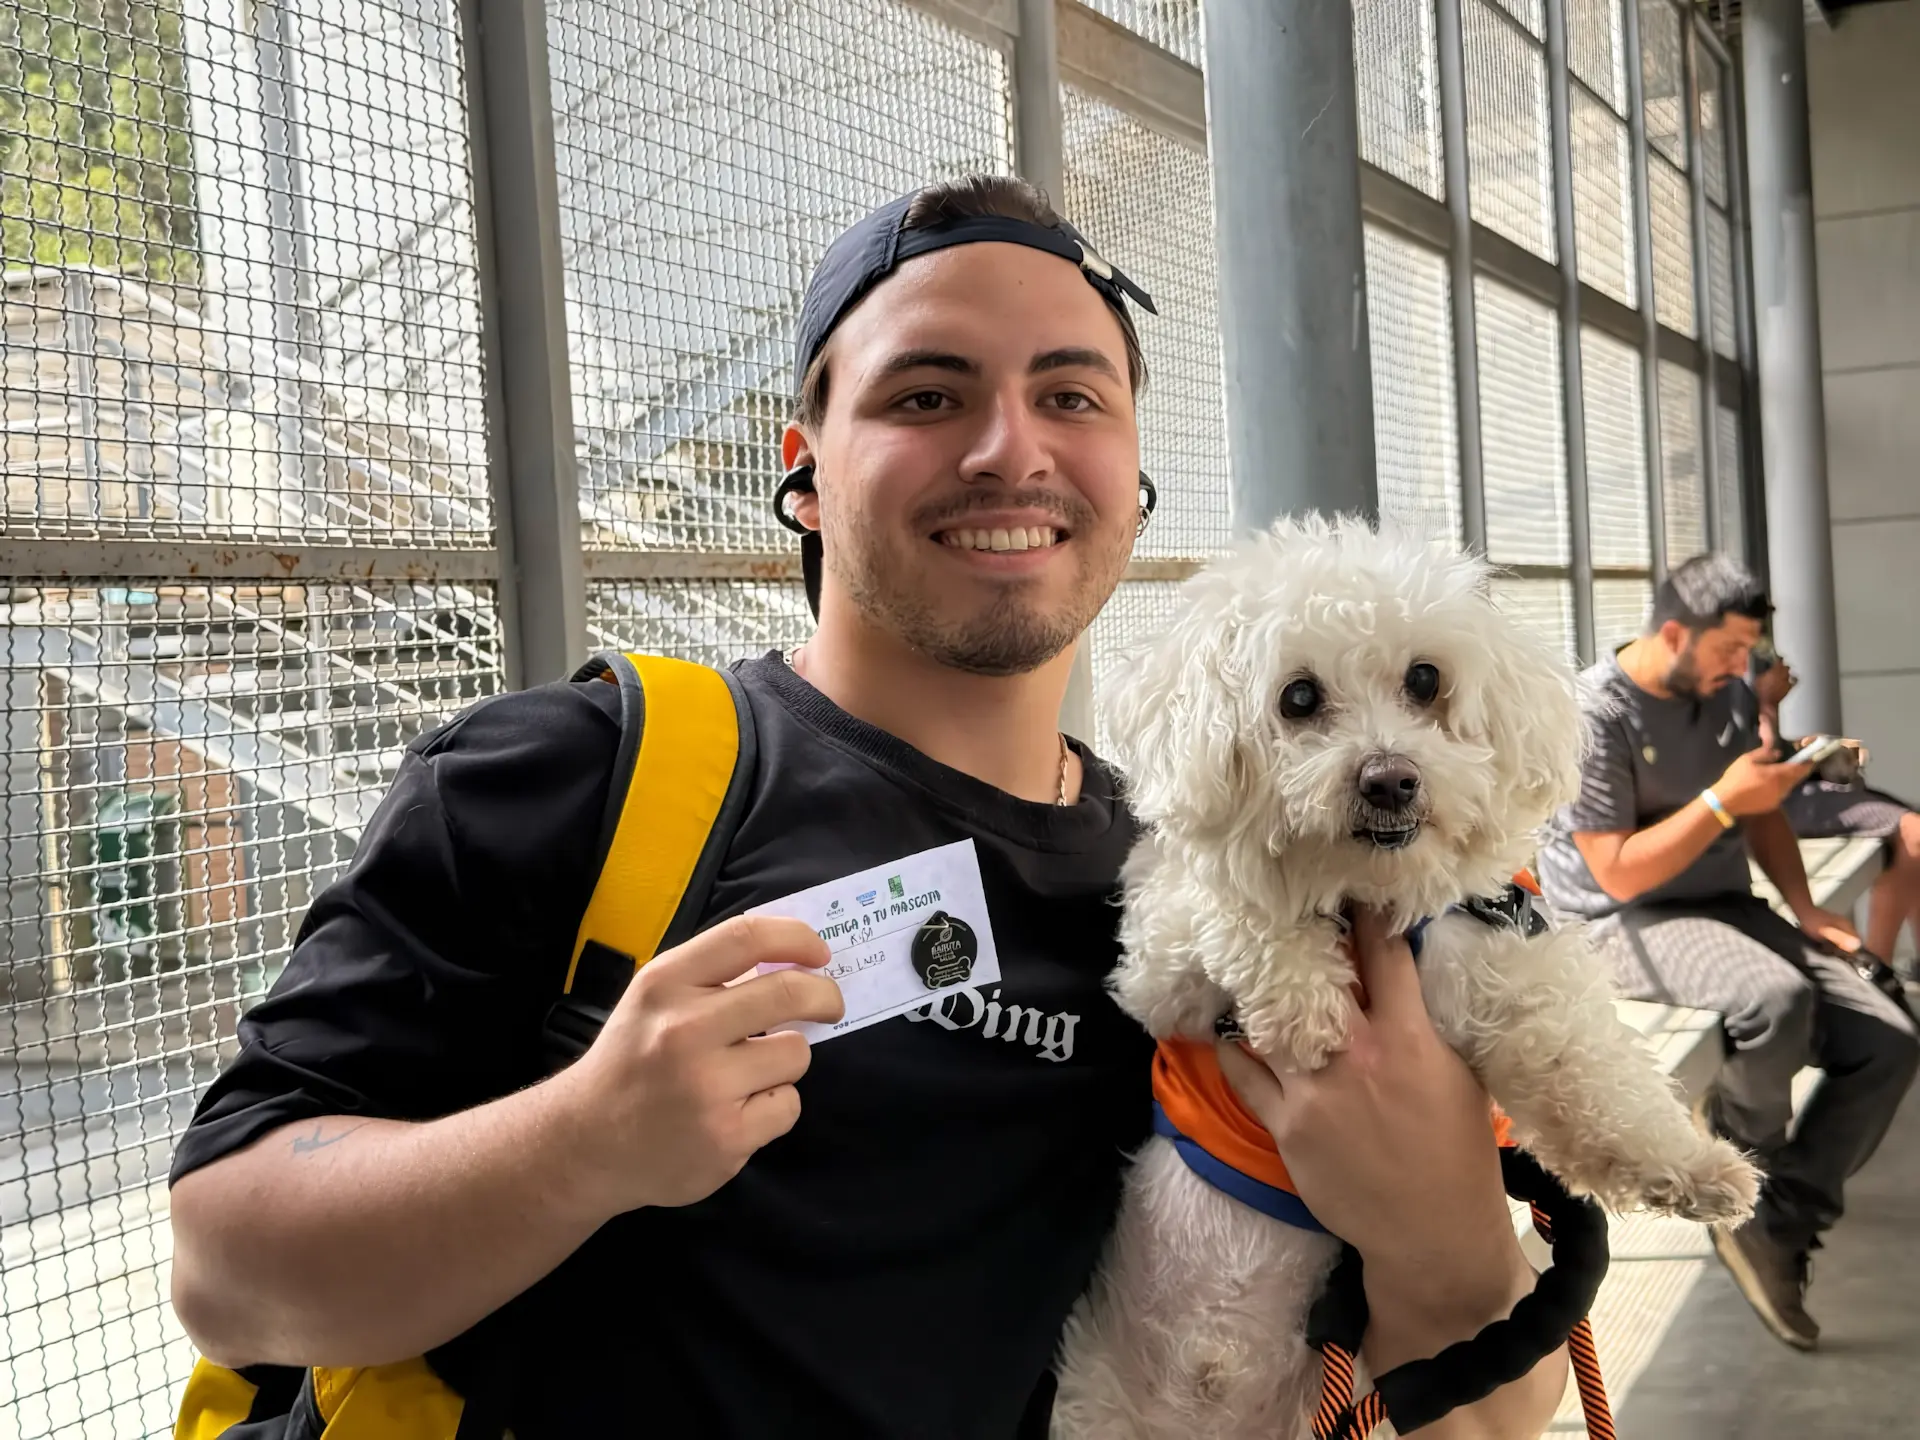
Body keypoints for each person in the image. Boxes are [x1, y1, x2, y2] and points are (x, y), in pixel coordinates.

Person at [167, 175, 1567, 1437]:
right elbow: (228, 1268)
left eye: (1072, 396)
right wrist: (582, 1143)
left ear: (1130, 484)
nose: (1009, 448)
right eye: (926, 394)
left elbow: (1487, 1422)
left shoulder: (1205, 886)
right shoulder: (588, 774)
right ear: (806, 469)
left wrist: (1445, 1241)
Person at [1537, 553, 1919, 1353]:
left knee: (1888, 1038)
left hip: (1723, 904)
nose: (1744, 667)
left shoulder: (1730, 695)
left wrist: (1808, 907)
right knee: (1773, 998)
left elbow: (1764, 814)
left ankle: (1778, 1220)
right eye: (1728, 650)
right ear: (1675, 632)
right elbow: (1613, 867)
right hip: (1617, 920)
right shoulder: (1592, 714)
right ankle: (1752, 1178)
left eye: (1750, 650)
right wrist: (1720, 802)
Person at [1751, 646, 1920, 971]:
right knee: (1911, 829)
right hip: (1779, 804)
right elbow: (1762, 757)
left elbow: (1774, 749)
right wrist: (1766, 702)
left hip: (1800, 789)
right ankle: (1877, 964)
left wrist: (1812, 747)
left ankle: (1887, 962)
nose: (1783, 663)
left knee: (1912, 828)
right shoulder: (1723, 688)